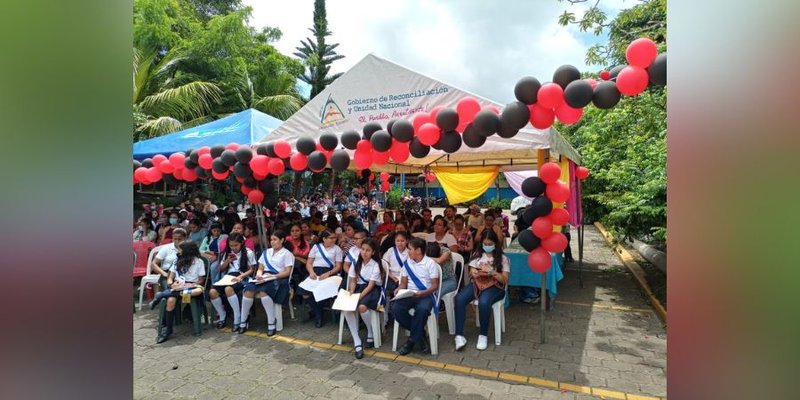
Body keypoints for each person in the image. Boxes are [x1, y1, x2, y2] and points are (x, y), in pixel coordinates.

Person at [453, 230, 509, 351]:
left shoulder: (503, 258)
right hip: (478, 284)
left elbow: (504, 280)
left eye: (490, 244)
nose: (487, 246)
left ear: (495, 243)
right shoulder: (478, 255)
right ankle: (459, 335)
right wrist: (473, 272)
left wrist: (491, 271)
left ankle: (483, 335)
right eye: (485, 244)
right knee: (460, 298)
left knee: (484, 302)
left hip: (496, 287)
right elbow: (472, 271)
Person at [238, 230, 295, 336]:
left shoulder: (287, 254)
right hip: (264, 277)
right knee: (248, 290)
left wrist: (273, 276)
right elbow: (260, 268)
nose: (272, 242)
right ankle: (243, 320)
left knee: (264, 291)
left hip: (279, 279)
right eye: (271, 240)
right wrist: (259, 274)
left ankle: (271, 321)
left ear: (282, 240)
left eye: (275, 239)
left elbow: (287, 272)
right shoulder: (266, 252)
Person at [392, 238, 440, 355]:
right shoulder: (407, 263)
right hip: (410, 294)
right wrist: (398, 290)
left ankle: (411, 341)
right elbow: (403, 283)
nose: (407, 251)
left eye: (410, 249)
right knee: (396, 308)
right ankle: (420, 334)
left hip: (426, 294)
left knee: (422, 310)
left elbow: (435, 286)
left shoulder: (430, 264)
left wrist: (422, 293)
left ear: (418, 250)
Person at [151, 241, 207, 344]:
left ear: (186, 251)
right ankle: (168, 330)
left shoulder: (199, 262)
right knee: (171, 300)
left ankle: (161, 295)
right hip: (177, 286)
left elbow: (201, 280)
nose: (178, 251)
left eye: (180, 249)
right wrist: (171, 284)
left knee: (198, 291)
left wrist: (190, 285)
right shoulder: (177, 260)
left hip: (191, 286)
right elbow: (170, 277)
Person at [342, 239, 384, 359]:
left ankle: (370, 331)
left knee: (361, 306)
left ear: (373, 252)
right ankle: (357, 341)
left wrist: (358, 297)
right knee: (347, 309)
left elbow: (371, 285)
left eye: (368, 250)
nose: (365, 252)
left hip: (371, 290)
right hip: (358, 288)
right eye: (363, 249)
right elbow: (353, 280)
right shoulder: (356, 262)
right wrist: (351, 292)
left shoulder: (375, 265)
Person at [208, 233, 257, 332]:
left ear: (241, 243)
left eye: (236, 245)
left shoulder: (248, 253)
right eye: (231, 245)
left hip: (242, 276)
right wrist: (227, 261)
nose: (233, 248)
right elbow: (220, 269)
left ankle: (237, 317)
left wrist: (240, 276)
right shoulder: (227, 253)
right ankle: (222, 315)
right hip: (228, 277)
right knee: (212, 292)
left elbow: (252, 270)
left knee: (228, 289)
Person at [299, 230, 343, 327]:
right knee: (305, 294)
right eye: (330, 238)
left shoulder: (337, 249)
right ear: (324, 239)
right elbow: (309, 263)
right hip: (314, 272)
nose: (333, 240)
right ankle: (318, 312)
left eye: (334, 238)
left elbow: (338, 266)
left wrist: (328, 273)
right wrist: (311, 272)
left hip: (329, 273)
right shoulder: (316, 247)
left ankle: (318, 316)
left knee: (321, 292)